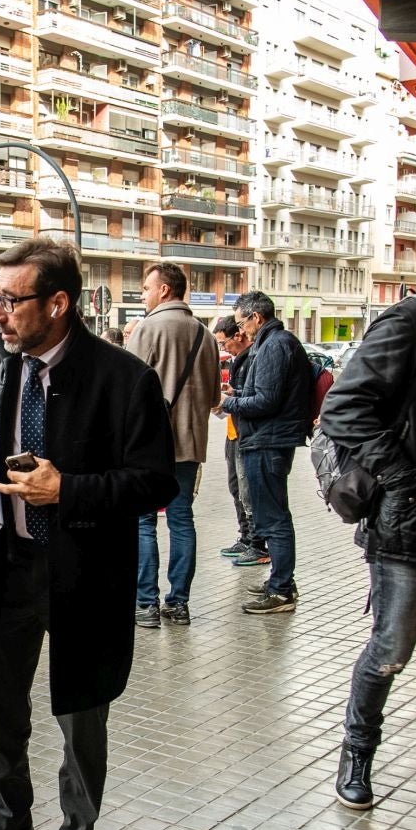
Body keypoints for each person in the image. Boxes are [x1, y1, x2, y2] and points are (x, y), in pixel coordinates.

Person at [0, 239, 175, 830]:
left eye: (11, 301)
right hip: (7, 563)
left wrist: (66, 490)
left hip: (84, 576)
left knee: (80, 718)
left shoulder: (124, 378)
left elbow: (153, 481)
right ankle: (8, 826)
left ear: (59, 303)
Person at [320, 273, 416, 819]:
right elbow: (341, 409)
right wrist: (404, 480)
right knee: (391, 649)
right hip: (406, 523)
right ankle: (356, 757)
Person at [127, 263, 219, 628]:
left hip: (150, 446)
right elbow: (214, 397)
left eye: (147, 288)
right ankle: (178, 603)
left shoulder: (149, 328)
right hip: (191, 445)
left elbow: (127, 390)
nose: (144, 294)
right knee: (182, 521)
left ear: (164, 290)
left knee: (143, 522)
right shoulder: (206, 335)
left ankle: (146, 604)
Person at [217, 290, 316, 615]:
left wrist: (228, 402)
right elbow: (266, 393)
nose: (241, 329)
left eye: (243, 321)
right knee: (272, 515)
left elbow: (266, 401)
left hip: (269, 440)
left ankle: (281, 590)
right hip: (269, 438)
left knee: (274, 519)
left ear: (256, 318)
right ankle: (281, 580)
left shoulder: (274, 345)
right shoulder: (275, 343)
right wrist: (240, 394)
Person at [213, 318, 259, 563]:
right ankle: (245, 537)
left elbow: (255, 398)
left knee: (246, 491)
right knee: (236, 488)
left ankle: (256, 542)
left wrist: (229, 400)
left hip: (245, 434)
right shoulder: (238, 362)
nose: (224, 349)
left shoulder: (251, 359)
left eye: (224, 343)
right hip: (234, 432)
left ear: (238, 335)